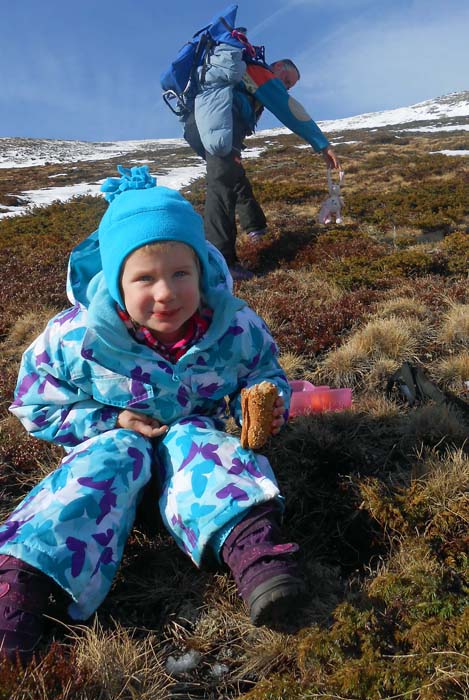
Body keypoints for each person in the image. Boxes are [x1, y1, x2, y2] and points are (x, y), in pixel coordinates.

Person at [0, 165, 304, 664]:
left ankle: (254, 549)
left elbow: (263, 373)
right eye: (144, 278)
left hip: (195, 455)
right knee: (106, 459)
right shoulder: (77, 338)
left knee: (200, 439)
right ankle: (21, 584)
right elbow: (35, 403)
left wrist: (269, 407)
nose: (165, 293)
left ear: (202, 269)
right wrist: (109, 421)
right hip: (115, 452)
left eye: (180, 273)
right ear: (116, 281)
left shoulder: (233, 324)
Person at [184, 56, 341, 280]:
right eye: (286, 80)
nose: (285, 87)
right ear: (277, 67)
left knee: (233, 177)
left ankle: (256, 227)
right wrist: (322, 144)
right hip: (222, 125)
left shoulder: (240, 76)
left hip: (200, 125)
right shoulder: (259, 73)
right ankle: (221, 263)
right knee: (221, 187)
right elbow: (289, 109)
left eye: (289, 85)